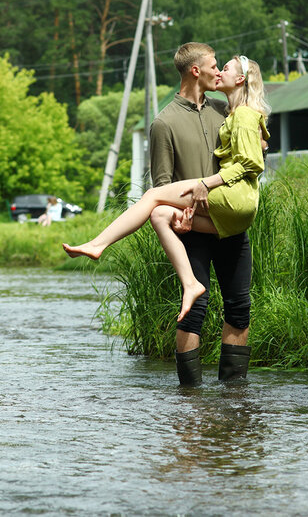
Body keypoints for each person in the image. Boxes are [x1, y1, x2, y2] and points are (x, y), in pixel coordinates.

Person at [68, 43, 265, 385]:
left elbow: (251, 148)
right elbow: (162, 185)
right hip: (194, 227)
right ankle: (190, 397)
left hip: (229, 222)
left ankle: (235, 395)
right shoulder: (164, 123)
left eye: (222, 67)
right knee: (195, 311)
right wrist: (180, 218)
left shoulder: (225, 110)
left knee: (239, 308)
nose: (218, 71)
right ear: (196, 71)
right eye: (214, 66)